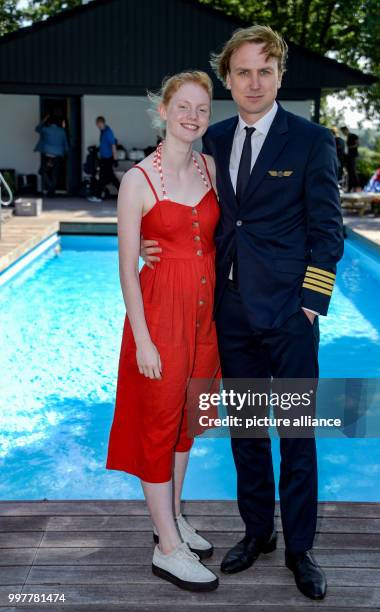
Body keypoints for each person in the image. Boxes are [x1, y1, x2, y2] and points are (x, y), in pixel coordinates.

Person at [141, 25, 344, 601]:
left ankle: (301, 548)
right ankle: (259, 533)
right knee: (248, 433)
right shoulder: (215, 139)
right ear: (228, 79)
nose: (254, 82)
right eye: (242, 72)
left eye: (265, 71)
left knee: (296, 435)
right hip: (230, 314)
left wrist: (311, 304)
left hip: (289, 316)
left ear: (280, 76)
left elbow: (329, 233)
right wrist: (149, 243)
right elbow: (180, 203)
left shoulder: (311, 140)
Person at [105, 71, 220, 592]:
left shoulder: (211, 167)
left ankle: (173, 518)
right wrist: (145, 339)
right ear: (164, 111)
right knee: (157, 428)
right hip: (162, 320)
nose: (193, 116)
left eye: (202, 108)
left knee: (186, 425)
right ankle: (166, 547)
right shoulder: (138, 181)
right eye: (184, 107)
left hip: (205, 320)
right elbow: (128, 267)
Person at [34, 111, 69, 197]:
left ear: (49, 122)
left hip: (47, 154)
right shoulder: (62, 131)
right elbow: (66, 144)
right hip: (57, 155)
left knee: (42, 171)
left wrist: (44, 120)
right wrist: (65, 153)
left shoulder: (46, 129)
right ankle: (51, 191)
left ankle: (50, 188)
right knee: (55, 174)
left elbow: (37, 128)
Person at [88, 116, 120, 203]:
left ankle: (98, 196)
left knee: (102, 177)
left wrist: (115, 159)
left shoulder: (108, 132)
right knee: (112, 178)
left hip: (107, 159)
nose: (97, 126)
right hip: (104, 158)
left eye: (98, 124)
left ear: (101, 123)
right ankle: (124, 194)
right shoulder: (103, 132)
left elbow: (113, 145)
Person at [340, 125, 361, 191]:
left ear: (346, 130)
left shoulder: (353, 136)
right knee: (349, 172)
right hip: (347, 156)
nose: (343, 133)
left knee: (352, 171)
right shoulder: (347, 137)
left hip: (352, 155)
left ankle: (356, 186)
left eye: (344, 131)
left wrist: (349, 147)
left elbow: (357, 144)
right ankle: (351, 187)